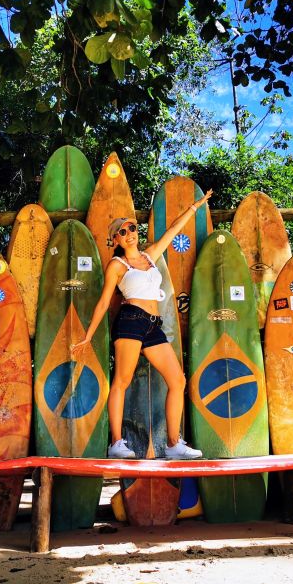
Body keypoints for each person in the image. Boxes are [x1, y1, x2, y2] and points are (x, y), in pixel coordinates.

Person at [71, 189, 213, 459]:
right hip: (130, 322)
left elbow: (172, 230)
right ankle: (116, 443)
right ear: (116, 240)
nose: (129, 233)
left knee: (177, 380)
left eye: (132, 228)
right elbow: (103, 303)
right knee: (122, 382)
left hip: (152, 325)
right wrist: (88, 336)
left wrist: (196, 206)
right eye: (122, 232)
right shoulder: (117, 265)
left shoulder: (150, 256)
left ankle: (173, 445)